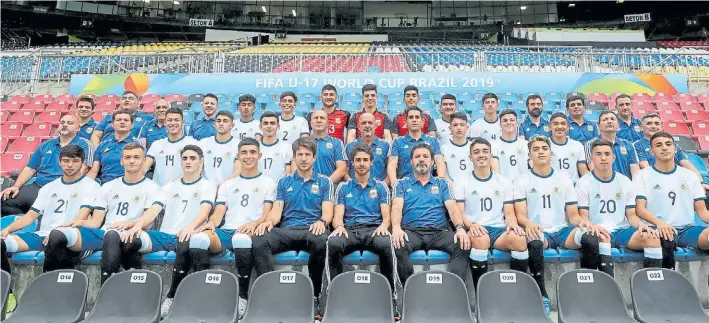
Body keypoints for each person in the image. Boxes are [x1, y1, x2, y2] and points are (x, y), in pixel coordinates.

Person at [513, 135, 603, 315]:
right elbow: (520, 216)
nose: (540, 152)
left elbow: (573, 216)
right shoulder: (522, 180)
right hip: (539, 231)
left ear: (551, 154)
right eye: (536, 149)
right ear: (529, 155)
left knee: (591, 238)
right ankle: (541, 294)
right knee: (534, 242)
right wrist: (528, 224)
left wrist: (584, 222)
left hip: (562, 231)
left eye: (544, 149)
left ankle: (585, 292)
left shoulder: (563, 179)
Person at [123, 145, 217, 317]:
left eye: (192, 158)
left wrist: (190, 227)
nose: (188, 161)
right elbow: (154, 210)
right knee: (130, 240)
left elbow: (204, 212)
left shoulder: (207, 185)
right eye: (185, 158)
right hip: (164, 235)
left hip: (187, 234)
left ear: (201, 162)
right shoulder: (169, 186)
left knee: (184, 239)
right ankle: (139, 292)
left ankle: (172, 295)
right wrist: (138, 224)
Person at [45, 143, 159, 275]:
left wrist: (127, 224)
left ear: (144, 161)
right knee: (57, 234)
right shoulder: (108, 186)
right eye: (127, 157)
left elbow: (148, 224)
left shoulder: (151, 187)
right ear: (122, 161)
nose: (132, 161)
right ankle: (54, 283)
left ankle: (107, 287)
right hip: (105, 232)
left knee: (112, 236)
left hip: (131, 234)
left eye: (136, 157)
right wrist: (78, 223)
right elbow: (96, 222)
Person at [194, 138, 277, 318]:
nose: (248, 156)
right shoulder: (228, 184)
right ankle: (204, 295)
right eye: (244, 152)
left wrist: (253, 224)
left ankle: (243, 295)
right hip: (228, 231)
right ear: (238, 156)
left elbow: (266, 215)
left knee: (241, 239)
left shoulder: (269, 183)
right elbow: (219, 213)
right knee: (198, 239)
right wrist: (211, 224)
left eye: (253, 152)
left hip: (251, 232)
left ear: (260, 155)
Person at [252, 137, 333, 319]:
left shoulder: (324, 182)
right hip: (287, 230)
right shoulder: (284, 182)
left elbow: (328, 212)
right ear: (294, 158)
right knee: (259, 239)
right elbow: (277, 211)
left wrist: (321, 221)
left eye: (307, 155)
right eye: (300, 155)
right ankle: (268, 293)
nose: (303, 158)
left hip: (311, 229)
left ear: (314, 158)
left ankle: (314, 295)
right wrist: (268, 222)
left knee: (321, 241)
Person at [1, 145, 99, 276]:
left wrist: (57, 233)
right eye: (66, 161)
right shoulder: (48, 187)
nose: (70, 165)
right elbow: (29, 217)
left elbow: (82, 216)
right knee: (1, 243)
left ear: (82, 163)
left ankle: (50, 286)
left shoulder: (91, 185)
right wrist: (8, 230)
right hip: (43, 235)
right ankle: (8, 288)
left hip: (71, 236)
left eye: (75, 161)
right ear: (59, 162)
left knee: (56, 240)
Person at [327, 143, 396, 313]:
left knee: (387, 244)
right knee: (333, 242)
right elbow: (337, 217)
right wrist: (339, 226)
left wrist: (383, 226)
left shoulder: (381, 187)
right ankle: (334, 293)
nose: (362, 163)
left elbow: (386, 216)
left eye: (365, 160)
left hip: (373, 229)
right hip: (350, 230)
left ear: (372, 162)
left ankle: (391, 295)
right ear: (352, 163)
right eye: (358, 160)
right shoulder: (343, 187)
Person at [576, 139, 664, 271]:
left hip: (620, 230)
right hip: (598, 231)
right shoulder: (583, 183)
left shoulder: (625, 181)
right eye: (598, 154)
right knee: (601, 238)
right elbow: (583, 217)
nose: (603, 158)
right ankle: (608, 287)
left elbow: (631, 215)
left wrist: (641, 225)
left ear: (613, 157)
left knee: (652, 238)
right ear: (591, 158)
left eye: (607, 154)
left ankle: (651, 285)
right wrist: (594, 228)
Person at [391, 143, 471, 285]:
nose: (421, 159)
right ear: (411, 162)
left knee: (463, 243)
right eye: (417, 156)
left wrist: (460, 228)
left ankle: (452, 290)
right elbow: (397, 207)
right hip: (412, 232)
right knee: (397, 244)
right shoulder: (401, 184)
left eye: (425, 156)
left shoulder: (442, 184)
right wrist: (396, 228)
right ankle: (410, 290)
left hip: (438, 232)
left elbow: (452, 208)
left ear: (433, 162)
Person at [454, 138, 528, 290]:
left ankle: (517, 291)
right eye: (476, 152)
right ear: (470, 157)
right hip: (475, 228)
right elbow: (459, 214)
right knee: (481, 240)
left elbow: (509, 214)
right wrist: (471, 225)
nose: (481, 155)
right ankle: (482, 293)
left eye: (485, 151)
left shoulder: (503, 181)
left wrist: (513, 224)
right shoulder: (462, 182)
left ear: (491, 155)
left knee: (520, 239)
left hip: (498, 230)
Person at [634, 132, 709, 268]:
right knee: (662, 240)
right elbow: (640, 209)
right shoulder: (642, 176)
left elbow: (702, 211)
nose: (664, 148)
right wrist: (659, 223)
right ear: (651, 151)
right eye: (659, 145)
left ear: (675, 149)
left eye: (668, 144)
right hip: (657, 229)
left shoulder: (690, 175)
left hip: (686, 229)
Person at [1, 115, 93, 216]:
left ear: (78, 128)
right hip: (38, 186)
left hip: (63, 188)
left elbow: (84, 169)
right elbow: (30, 168)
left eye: (70, 123)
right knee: (4, 201)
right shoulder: (46, 145)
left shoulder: (84, 144)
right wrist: (16, 186)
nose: (65, 125)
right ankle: (25, 224)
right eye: (62, 123)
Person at [633, 113, 707, 188]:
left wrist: (701, 182)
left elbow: (685, 163)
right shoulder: (637, 145)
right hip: (654, 184)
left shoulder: (673, 144)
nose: (653, 126)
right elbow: (644, 166)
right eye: (649, 123)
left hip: (677, 181)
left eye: (657, 123)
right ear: (641, 127)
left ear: (661, 127)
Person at [143, 107, 200, 186]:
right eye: (169, 120)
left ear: (182, 122)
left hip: (183, 189)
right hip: (160, 192)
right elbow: (145, 167)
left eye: (176, 120)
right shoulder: (157, 144)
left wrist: (173, 185)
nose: (173, 123)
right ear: (165, 123)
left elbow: (196, 169)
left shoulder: (192, 143)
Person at [388, 107, 445, 183]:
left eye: (417, 117)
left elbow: (439, 162)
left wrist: (440, 181)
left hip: (427, 186)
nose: (414, 120)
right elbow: (392, 164)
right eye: (411, 117)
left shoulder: (433, 141)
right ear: (406, 122)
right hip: (404, 188)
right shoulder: (397, 142)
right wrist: (394, 184)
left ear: (422, 122)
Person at [88, 110, 143, 184]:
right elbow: (94, 171)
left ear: (132, 125)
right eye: (118, 120)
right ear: (113, 124)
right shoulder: (102, 145)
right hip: (105, 185)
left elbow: (141, 169)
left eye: (126, 120)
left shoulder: (137, 144)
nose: (122, 122)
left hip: (129, 185)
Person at [584, 111, 640, 179]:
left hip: (625, 187)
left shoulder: (628, 145)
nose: (609, 121)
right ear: (599, 126)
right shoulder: (590, 144)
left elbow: (636, 172)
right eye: (605, 119)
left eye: (612, 119)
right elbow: (593, 169)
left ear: (618, 125)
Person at [345, 112, 389, 183]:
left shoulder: (386, 146)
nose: (367, 126)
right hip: (356, 191)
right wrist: (354, 187)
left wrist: (381, 187)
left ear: (375, 125)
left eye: (370, 123)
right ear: (358, 126)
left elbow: (391, 171)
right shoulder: (350, 146)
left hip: (379, 191)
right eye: (364, 123)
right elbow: (345, 172)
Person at [200, 110, 241, 184]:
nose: (221, 124)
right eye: (219, 121)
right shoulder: (204, 142)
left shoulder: (238, 144)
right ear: (215, 125)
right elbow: (198, 167)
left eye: (225, 121)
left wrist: (223, 186)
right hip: (207, 189)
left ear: (232, 125)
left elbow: (238, 170)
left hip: (228, 188)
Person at [549, 112, 589, 184]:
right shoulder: (544, 145)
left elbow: (583, 171)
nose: (560, 126)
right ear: (549, 127)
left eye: (563, 123)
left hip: (573, 187)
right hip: (552, 186)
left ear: (568, 127)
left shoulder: (577, 145)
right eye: (555, 124)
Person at [310, 110, 347, 183]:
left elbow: (341, 169)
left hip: (329, 186)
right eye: (316, 118)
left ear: (327, 123)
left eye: (322, 118)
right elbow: (296, 168)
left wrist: (326, 184)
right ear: (311, 123)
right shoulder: (303, 142)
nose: (319, 120)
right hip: (307, 189)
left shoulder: (337, 143)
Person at [491, 109, 529, 179]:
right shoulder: (493, 145)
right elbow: (496, 172)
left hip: (523, 187)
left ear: (517, 122)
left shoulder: (526, 145)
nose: (508, 122)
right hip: (503, 186)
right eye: (505, 120)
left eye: (512, 120)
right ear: (500, 124)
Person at [258, 111, 294, 181]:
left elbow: (289, 174)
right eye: (265, 123)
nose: (269, 126)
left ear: (278, 126)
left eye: (272, 123)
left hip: (279, 190)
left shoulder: (286, 147)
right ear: (260, 127)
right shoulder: (255, 147)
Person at [441, 112, 474, 182]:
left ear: (467, 127)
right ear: (450, 128)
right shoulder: (443, 149)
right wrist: (453, 185)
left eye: (462, 125)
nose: (459, 128)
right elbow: (444, 174)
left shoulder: (474, 147)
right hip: (453, 187)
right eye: (455, 125)